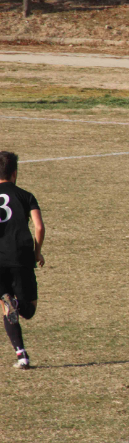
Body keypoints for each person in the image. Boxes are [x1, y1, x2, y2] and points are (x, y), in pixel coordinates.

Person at [0, 151, 45, 369]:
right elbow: (39, 227)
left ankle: (22, 356)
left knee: (6, 305)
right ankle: (16, 302)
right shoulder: (26, 196)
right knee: (29, 310)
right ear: (15, 173)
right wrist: (37, 253)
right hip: (21, 255)